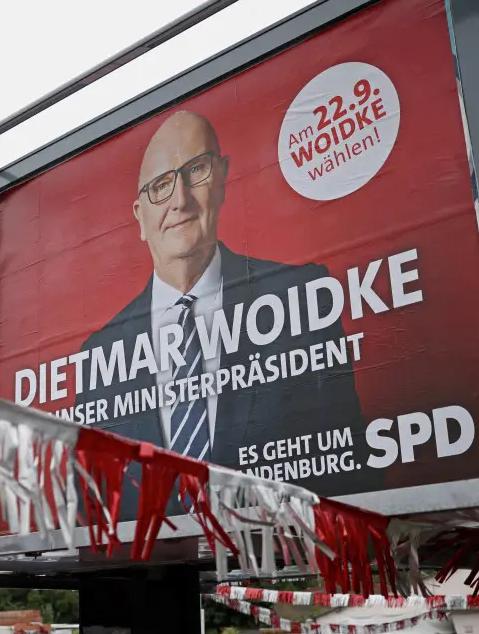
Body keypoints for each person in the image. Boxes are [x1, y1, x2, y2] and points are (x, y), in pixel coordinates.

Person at [75, 110, 366, 517]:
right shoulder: (99, 354)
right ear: (139, 217)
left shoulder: (302, 295)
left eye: (195, 170)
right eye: (160, 186)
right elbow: (92, 514)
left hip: (282, 567)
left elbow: (351, 476)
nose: (179, 200)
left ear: (223, 178)